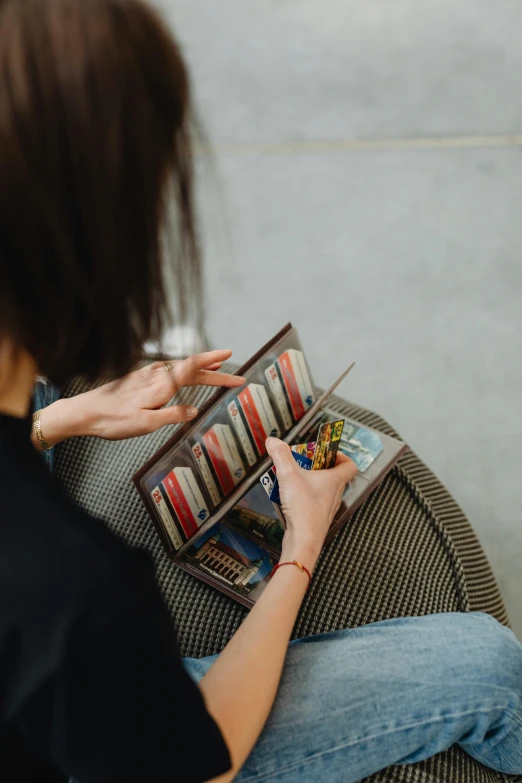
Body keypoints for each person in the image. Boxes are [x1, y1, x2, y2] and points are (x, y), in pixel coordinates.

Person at [0, 1, 521, 782]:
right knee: (490, 669)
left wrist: (60, 419)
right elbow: (197, 760)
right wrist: (300, 552)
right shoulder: (79, 597)